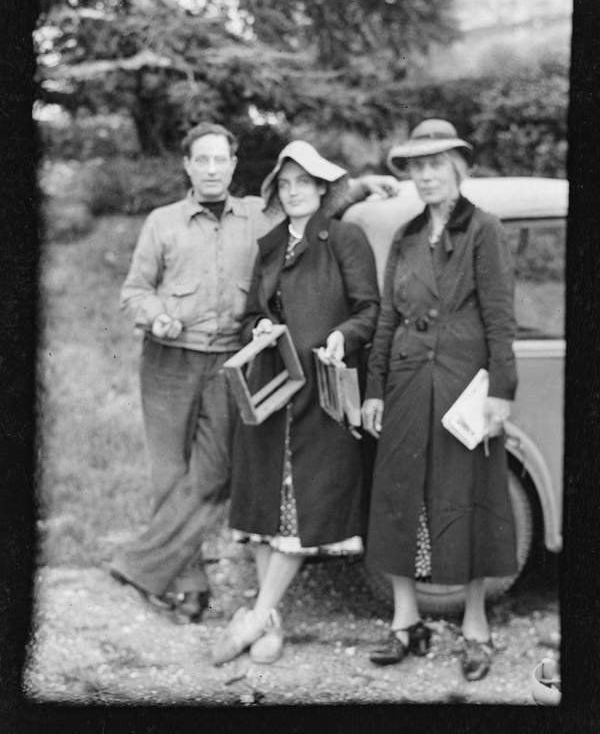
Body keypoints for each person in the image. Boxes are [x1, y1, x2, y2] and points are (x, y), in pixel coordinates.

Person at [109, 123, 399, 624]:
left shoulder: (255, 214)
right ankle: (190, 584)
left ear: (234, 164)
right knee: (169, 475)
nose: (212, 169)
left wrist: (366, 185)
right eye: (202, 160)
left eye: (221, 160)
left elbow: (314, 203)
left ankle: (140, 567)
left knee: (213, 473)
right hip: (168, 359)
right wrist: (155, 314)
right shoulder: (163, 222)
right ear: (188, 165)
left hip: (230, 361)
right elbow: (135, 290)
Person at [210, 141, 380, 665]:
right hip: (271, 390)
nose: (293, 192)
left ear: (323, 188)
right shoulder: (269, 244)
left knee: (304, 501)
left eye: (303, 183)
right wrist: (257, 325)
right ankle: (270, 618)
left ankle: (257, 615)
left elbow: (369, 310)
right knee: (266, 506)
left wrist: (342, 338)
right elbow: (247, 316)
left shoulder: (345, 238)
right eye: (284, 185)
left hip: (320, 393)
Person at [361, 119, 518, 681]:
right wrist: (374, 389)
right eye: (416, 166)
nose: (425, 175)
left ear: (459, 168)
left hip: (462, 386)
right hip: (405, 385)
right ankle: (407, 621)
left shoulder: (485, 231)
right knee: (399, 497)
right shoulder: (403, 237)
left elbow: (500, 318)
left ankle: (475, 624)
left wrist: (501, 391)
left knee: (468, 500)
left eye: (436, 164)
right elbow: (385, 317)